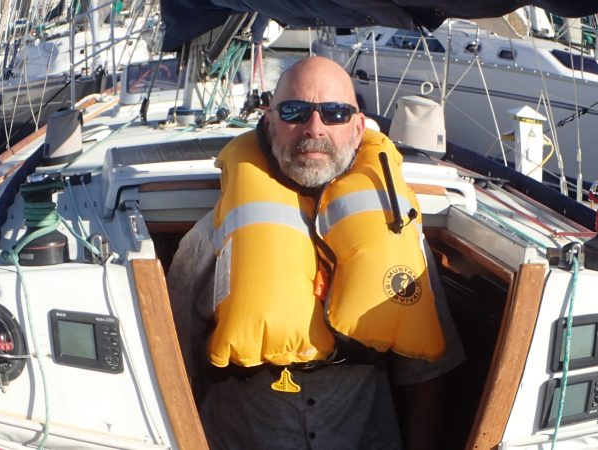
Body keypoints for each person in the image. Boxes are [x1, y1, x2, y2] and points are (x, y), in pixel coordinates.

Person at [167, 56, 464, 450]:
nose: (314, 128)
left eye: (335, 113)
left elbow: (426, 373)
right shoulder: (214, 235)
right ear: (269, 122)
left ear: (359, 128)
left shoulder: (399, 229)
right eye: (295, 112)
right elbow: (170, 362)